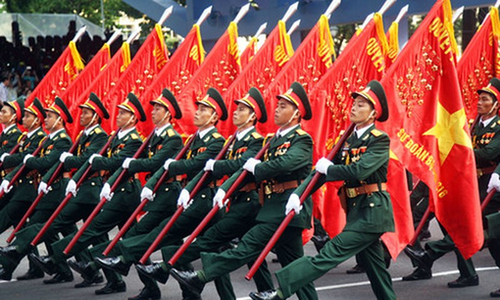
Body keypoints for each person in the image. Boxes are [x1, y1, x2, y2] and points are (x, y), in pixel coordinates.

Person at [246, 80, 396, 300]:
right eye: (354, 103)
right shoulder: (347, 140)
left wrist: (332, 169)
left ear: (374, 113)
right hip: (358, 211)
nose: (354, 107)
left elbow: (359, 171)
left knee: (328, 254)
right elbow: (319, 173)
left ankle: (279, 293)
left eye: (362, 104)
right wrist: (299, 193)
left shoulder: (379, 140)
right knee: (377, 272)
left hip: (373, 212)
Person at [170, 82, 319, 300]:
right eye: (277, 105)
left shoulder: (301, 139)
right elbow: (243, 172)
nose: (277, 109)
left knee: (247, 246)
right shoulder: (272, 141)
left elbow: (286, 164)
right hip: (272, 207)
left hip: (287, 208)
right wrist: (225, 188)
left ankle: (200, 276)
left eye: (283, 106)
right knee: (297, 269)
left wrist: (258, 167)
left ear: (296, 114)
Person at [135, 87, 274, 299]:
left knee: (221, 245)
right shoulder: (231, 141)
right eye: (236, 108)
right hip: (231, 200)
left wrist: (216, 169)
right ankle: (258, 291)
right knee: (244, 253)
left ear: (253, 116)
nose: (236, 112)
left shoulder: (256, 140)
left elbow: (241, 164)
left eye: (242, 109)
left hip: (248, 200)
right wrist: (191, 188)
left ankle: (168, 268)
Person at [90, 87, 227, 300]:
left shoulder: (215, 140)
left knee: (208, 253)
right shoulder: (194, 139)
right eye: (197, 108)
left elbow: (194, 164)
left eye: (203, 109)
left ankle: (116, 257)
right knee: (175, 242)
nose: (197, 112)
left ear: (215, 116)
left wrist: (172, 167)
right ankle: (185, 290)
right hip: (188, 198)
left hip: (204, 199)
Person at [67, 88, 189, 300]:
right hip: (150, 195)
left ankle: (94, 263)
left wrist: (132, 163)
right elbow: (127, 166)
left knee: (152, 242)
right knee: (154, 243)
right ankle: (162, 287)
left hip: (164, 195)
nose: (153, 112)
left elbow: (153, 163)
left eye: (158, 109)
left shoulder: (173, 138)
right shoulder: (152, 136)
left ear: (168, 114)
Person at [29, 93, 146, 295]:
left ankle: (76, 262)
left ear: (133, 118)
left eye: (123, 113)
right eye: (118, 112)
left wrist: (92, 163)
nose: (118, 116)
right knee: (116, 237)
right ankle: (103, 273)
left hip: (124, 193)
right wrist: (77, 177)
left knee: (120, 237)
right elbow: (92, 162)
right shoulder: (109, 138)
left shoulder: (128, 139)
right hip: (109, 190)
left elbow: (109, 162)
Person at [0, 93, 109, 286]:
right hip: (61, 190)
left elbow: (54, 162)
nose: (81, 116)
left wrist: (34, 162)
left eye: (49, 116)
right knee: (67, 231)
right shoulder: (72, 137)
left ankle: (98, 270)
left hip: (79, 190)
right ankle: (75, 268)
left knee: (86, 233)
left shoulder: (86, 137)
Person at [405, 78, 500, 288]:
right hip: (468, 182)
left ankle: (430, 254)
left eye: (485, 99)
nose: (479, 103)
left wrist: (458, 153)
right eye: (479, 99)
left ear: (496, 104)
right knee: (458, 226)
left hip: (489, 186)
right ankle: (466, 274)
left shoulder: (498, 127)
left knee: (474, 231)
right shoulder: (472, 126)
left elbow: (488, 153)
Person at [0, 97, 73, 283]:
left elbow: (44, 162)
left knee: (39, 227)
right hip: (38, 188)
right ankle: (60, 268)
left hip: (42, 189)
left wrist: (25, 160)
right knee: (46, 230)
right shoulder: (39, 139)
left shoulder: (58, 139)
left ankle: (11, 257)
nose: (24, 119)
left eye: (28, 116)